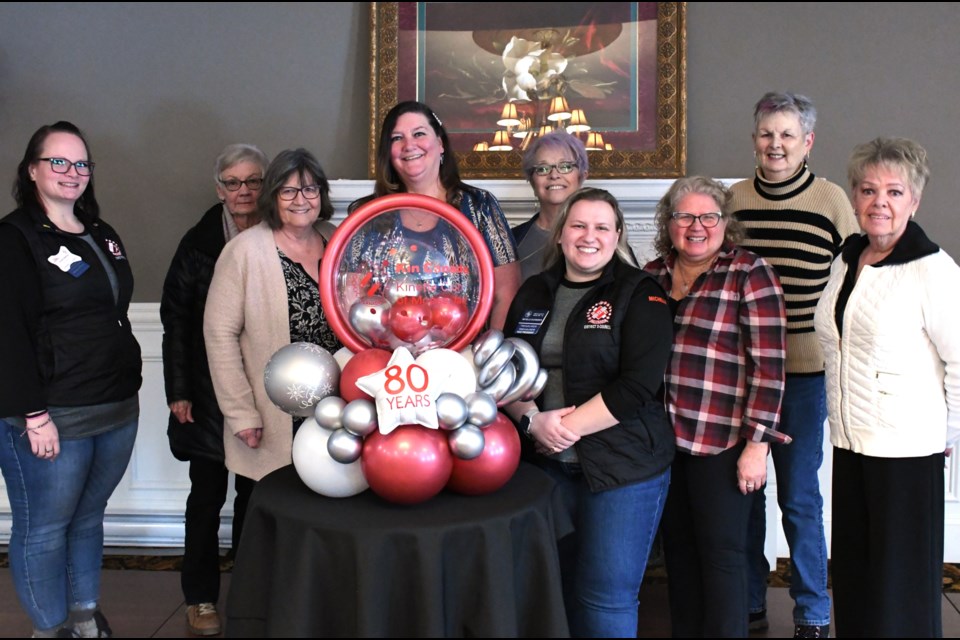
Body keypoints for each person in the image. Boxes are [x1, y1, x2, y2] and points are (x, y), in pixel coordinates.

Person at [504, 187, 675, 638]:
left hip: (623, 471)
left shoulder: (640, 294)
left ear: (617, 235)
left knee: (605, 600)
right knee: (552, 594)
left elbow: (638, 386)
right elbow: (509, 369)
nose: (589, 236)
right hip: (547, 470)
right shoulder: (535, 292)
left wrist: (562, 428)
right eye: (578, 225)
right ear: (561, 235)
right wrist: (531, 420)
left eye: (602, 227)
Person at [0, 121, 141, 638]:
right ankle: (49, 628)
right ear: (33, 169)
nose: (72, 172)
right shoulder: (14, 239)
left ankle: (83, 617)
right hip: (52, 416)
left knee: (87, 518)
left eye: (81, 163)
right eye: (58, 161)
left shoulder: (100, 232)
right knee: (43, 531)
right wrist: (34, 415)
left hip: (115, 408)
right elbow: (7, 335)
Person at [814, 137, 959, 638]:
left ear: (914, 201)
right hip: (850, 444)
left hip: (907, 452)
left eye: (895, 192)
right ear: (854, 197)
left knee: (901, 590)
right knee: (856, 579)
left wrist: (948, 433)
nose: (880, 202)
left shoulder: (933, 270)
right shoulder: (845, 259)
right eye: (869, 189)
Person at [730, 91, 858, 639]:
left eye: (787, 135)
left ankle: (812, 607)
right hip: (742, 373)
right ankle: (751, 598)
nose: (775, 145)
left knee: (799, 495)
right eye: (766, 133)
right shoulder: (733, 199)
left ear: (807, 142)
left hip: (805, 374)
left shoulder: (831, 201)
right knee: (745, 491)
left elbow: (855, 282)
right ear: (754, 139)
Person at [643, 176, 789, 637]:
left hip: (723, 442)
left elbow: (770, 367)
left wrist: (757, 446)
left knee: (722, 556)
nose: (696, 226)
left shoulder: (749, 273)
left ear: (726, 223)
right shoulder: (650, 275)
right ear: (669, 223)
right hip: (664, 443)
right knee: (679, 555)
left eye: (709, 216)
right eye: (684, 216)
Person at [160, 143, 268, 636]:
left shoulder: (277, 236)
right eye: (232, 182)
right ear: (218, 188)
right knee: (206, 497)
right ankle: (200, 598)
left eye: (253, 181)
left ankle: (249, 589)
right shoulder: (198, 243)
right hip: (204, 393)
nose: (243, 191)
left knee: (255, 495)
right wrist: (178, 390)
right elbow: (175, 321)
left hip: (263, 392)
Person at [204, 149, 341, 486]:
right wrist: (241, 414)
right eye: (288, 190)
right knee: (266, 516)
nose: (301, 199)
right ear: (273, 196)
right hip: (274, 416)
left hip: (337, 411)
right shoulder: (244, 251)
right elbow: (219, 334)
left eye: (310, 189)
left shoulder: (336, 239)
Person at [349, 101, 520, 329]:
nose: (409, 145)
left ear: (440, 143)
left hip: (465, 356)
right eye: (397, 138)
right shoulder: (366, 215)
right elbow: (350, 294)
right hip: (386, 356)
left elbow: (506, 293)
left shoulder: (480, 206)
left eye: (418, 133)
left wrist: (488, 352)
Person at [512, 129, 589, 282]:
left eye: (566, 166)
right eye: (542, 169)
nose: (554, 175)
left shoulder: (602, 236)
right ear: (532, 181)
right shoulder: (510, 241)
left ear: (582, 176)